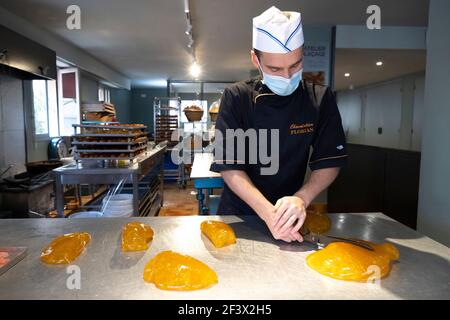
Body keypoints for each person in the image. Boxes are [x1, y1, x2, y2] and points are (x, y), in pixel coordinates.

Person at [211, 6, 347, 243]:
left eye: (295, 65)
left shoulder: (320, 99)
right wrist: (269, 213)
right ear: (256, 59)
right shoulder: (237, 97)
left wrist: (302, 198)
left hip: (290, 213)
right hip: (240, 215)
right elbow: (230, 168)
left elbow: (330, 161)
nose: (287, 77)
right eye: (275, 68)